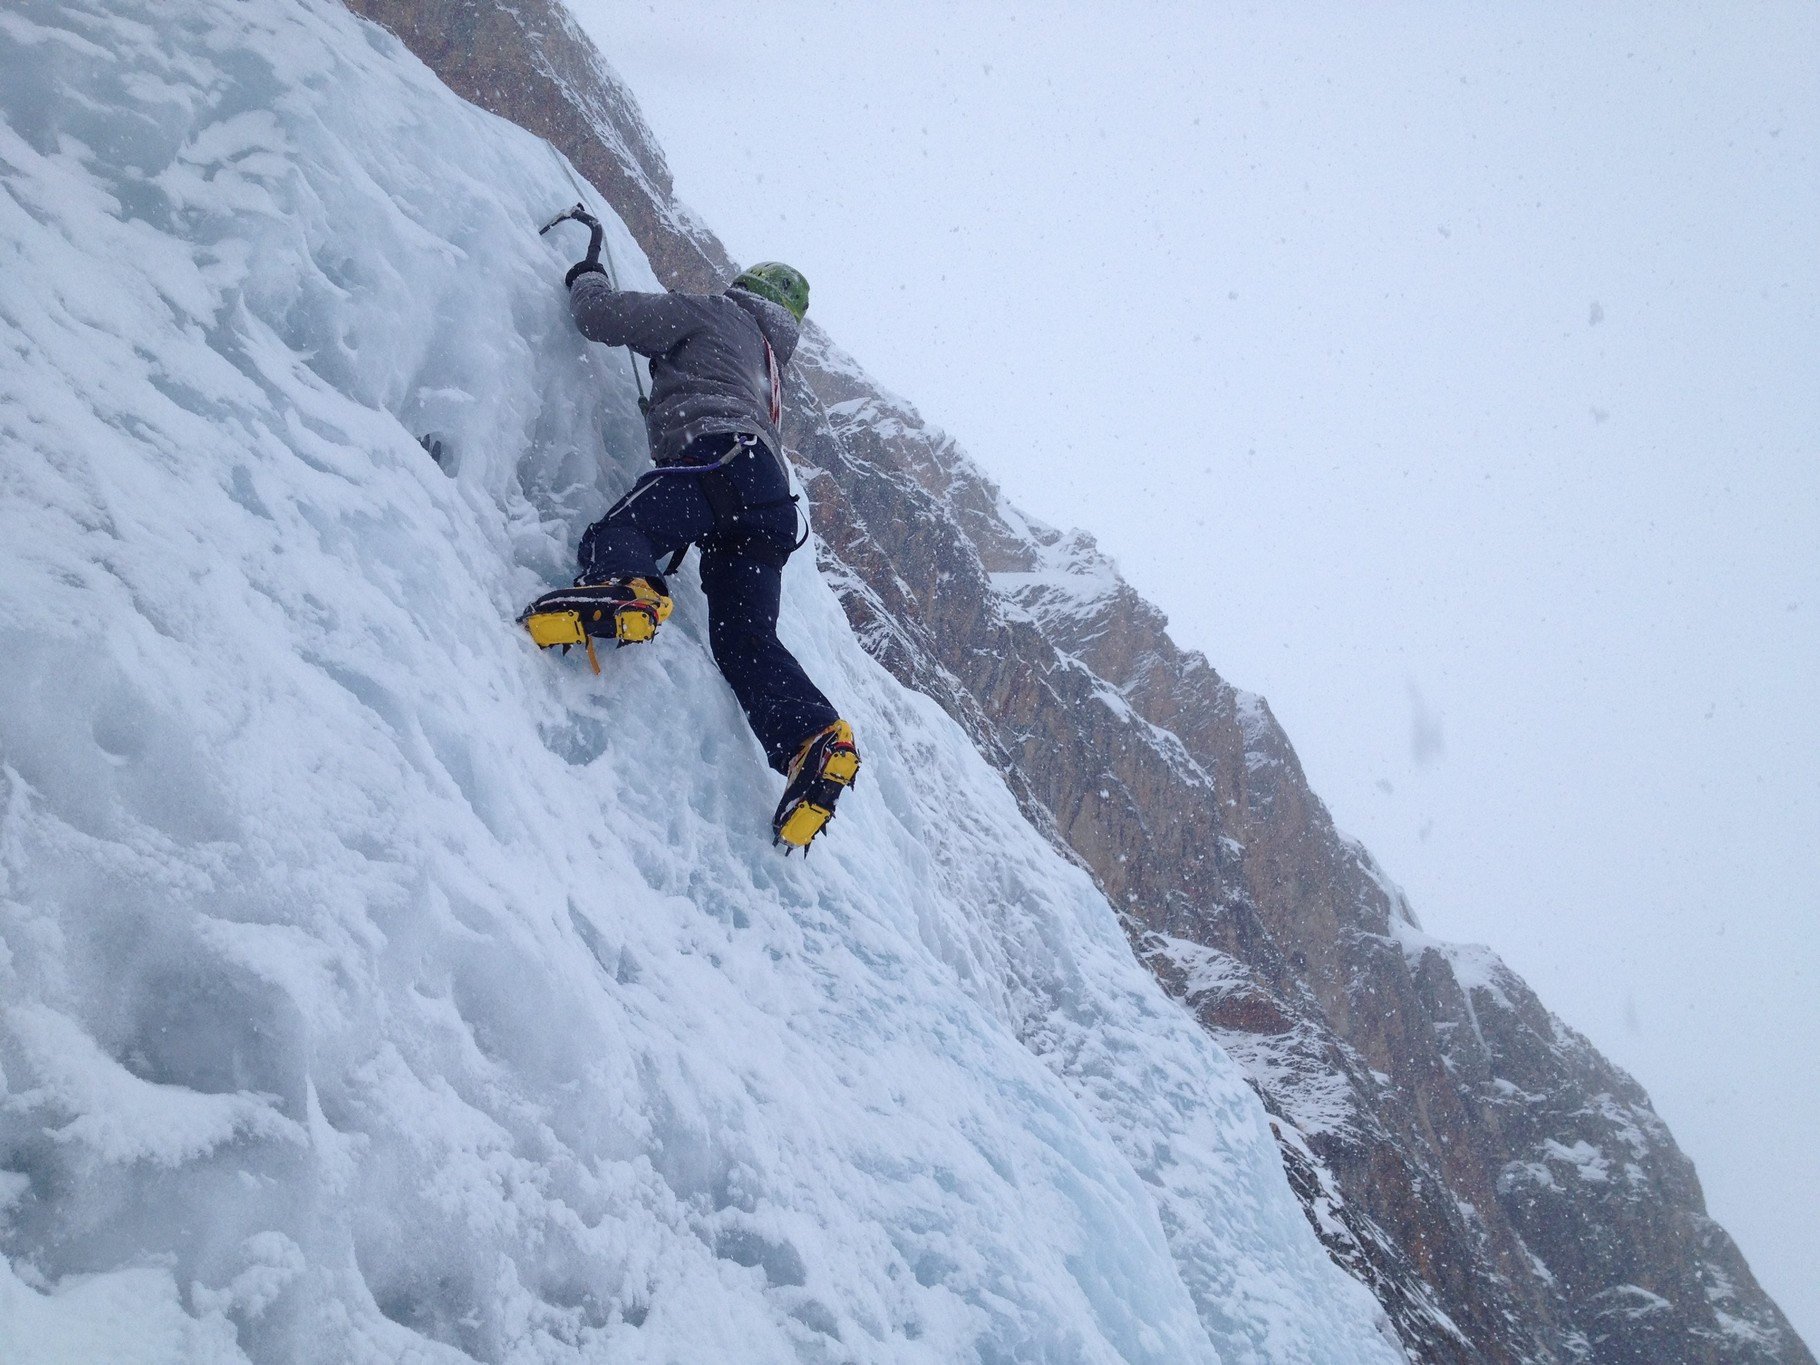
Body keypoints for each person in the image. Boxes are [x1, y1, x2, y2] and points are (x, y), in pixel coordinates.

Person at [520, 255, 859, 852]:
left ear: (745, 287)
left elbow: (601, 317)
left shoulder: (714, 314)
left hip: (720, 462)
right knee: (744, 640)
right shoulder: (767, 368)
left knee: (621, 532)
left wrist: (585, 277)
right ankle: (814, 736)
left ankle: (627, 587)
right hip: (770, 504)